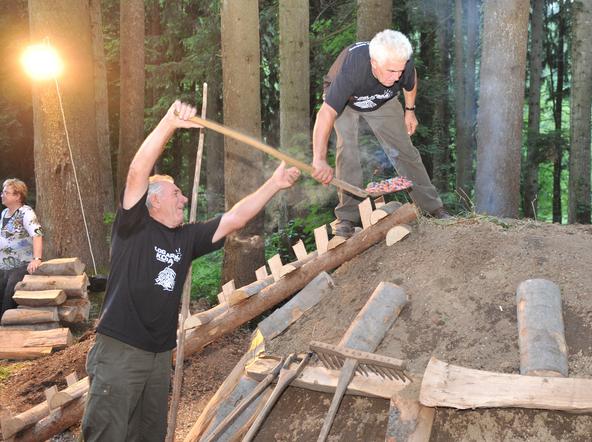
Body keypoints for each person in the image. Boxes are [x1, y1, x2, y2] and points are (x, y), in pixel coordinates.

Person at [81, 101, 300, 441]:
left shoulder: (186, 238)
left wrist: (274, 184)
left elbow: (235, 218)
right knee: (107, 434)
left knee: (148, 435)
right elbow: (138, 172)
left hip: (158, 357)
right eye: (176, 193)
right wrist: (169, 123)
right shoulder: (133, 226)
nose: (184, 199)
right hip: (120, 351)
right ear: (153, 200)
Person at [311, 29, 449, 238]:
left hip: (382, 99)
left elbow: (410, 83)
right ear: (374, 62)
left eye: (400, 72)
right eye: (391, 71)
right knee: (347, 151)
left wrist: (410, 111)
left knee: (405, 150)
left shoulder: (402, 64)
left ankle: (433, 208)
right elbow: (326, 114)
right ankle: (346, 218)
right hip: (347, 102)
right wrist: (319, 159)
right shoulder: (352, 69)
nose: (397, 77)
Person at [0, 178, 43, 319]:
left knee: (8, 297)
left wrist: (37, 259)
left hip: (20, 265)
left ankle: (8, 330)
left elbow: (37, 234)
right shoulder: (4, 213)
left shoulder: (26, 212)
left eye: (6, 192)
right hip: (3, 266)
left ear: (17, 196)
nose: (2, 195)